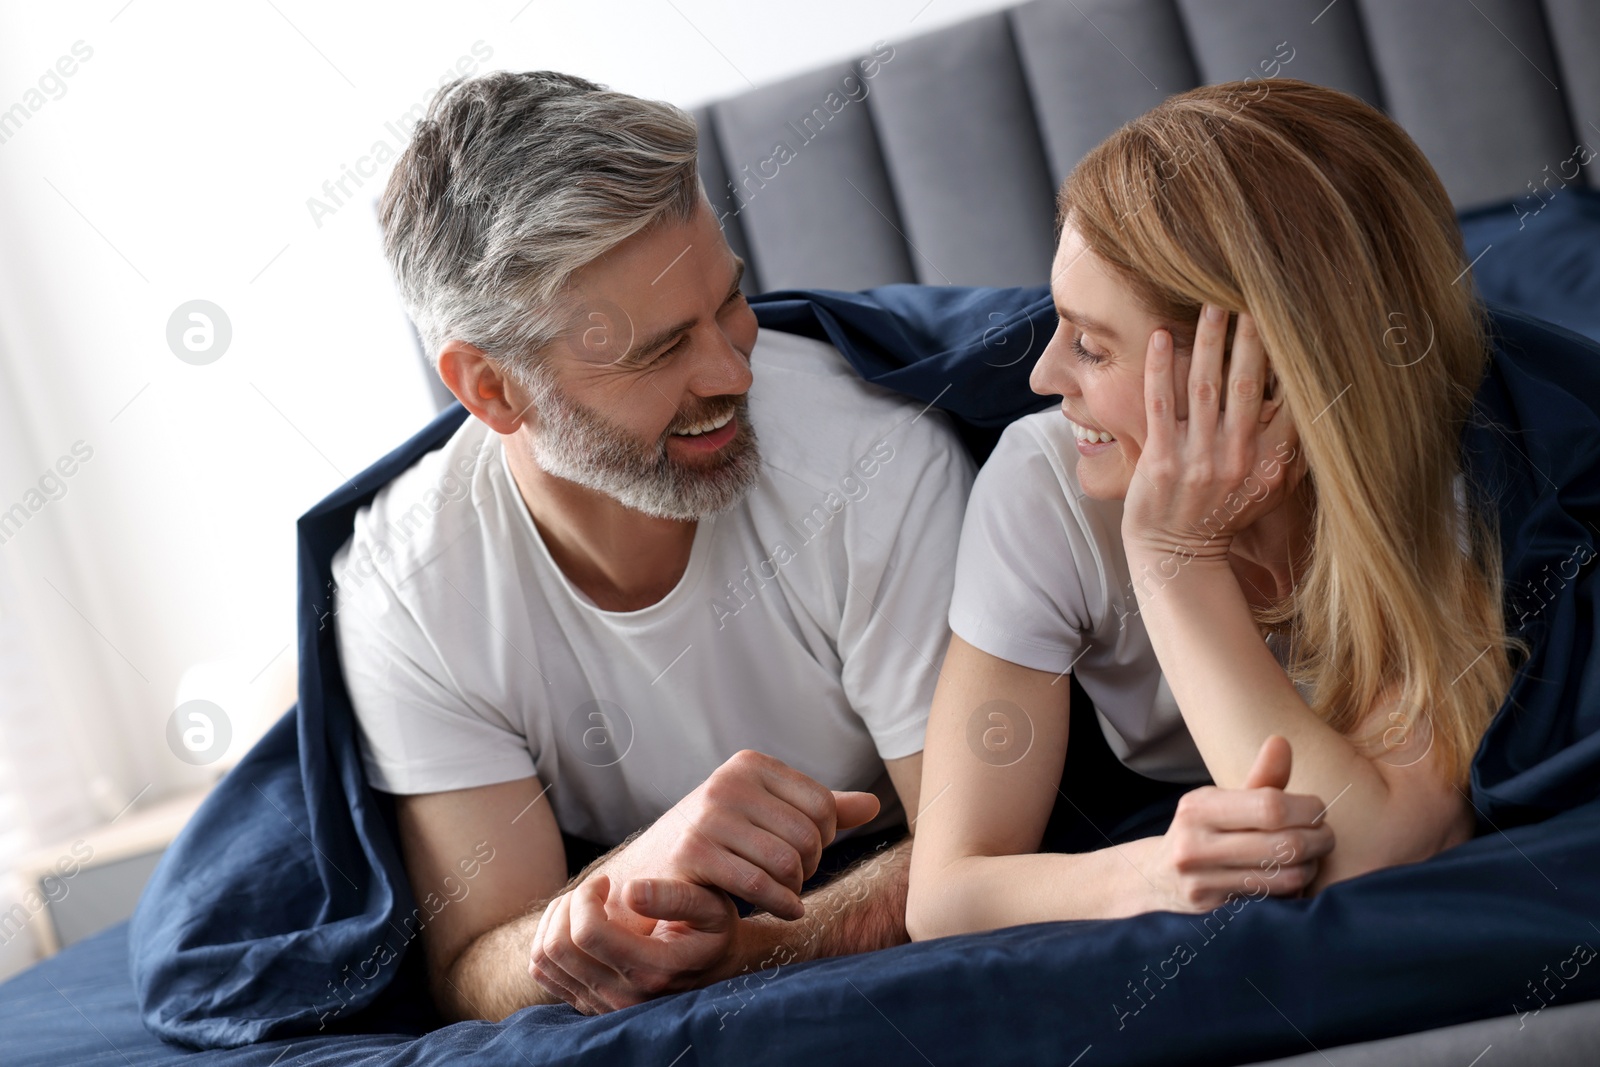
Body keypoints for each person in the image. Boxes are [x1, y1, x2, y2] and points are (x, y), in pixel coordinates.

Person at [331, 70, 974, 1018]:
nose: (731, 369)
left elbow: (984, 849)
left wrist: (747, 952)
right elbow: (471, 962)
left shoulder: (875, 461)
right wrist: (611, 900)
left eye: (729, 303)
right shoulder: (409, 585)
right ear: (490, 390)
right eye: (658, 351)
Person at [905, 78, 1522, 940]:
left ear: (1253, 372)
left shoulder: (1456, 476)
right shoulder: (1043, 485)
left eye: (1091, 344)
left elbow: (1366, 856)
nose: (1043, 379)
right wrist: (1146, 869)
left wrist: (1172, 558)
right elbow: (945, 897)